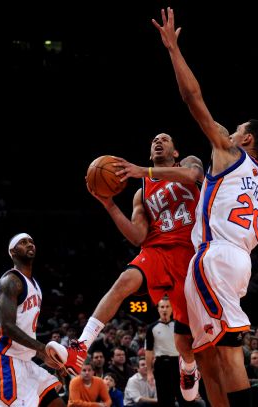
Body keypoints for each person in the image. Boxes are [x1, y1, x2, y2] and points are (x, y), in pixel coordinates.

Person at [151, 7, 258, 407]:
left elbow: (191, 97)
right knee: (208, 354)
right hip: (240, 263)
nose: (231, 132)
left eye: (238, 130)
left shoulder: (228, 151)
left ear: (246, 140)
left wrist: (174, 50)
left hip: (213, 257)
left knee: (229, 351)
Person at [48, 133, 204, 400]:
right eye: (154, 139)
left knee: (183, 340)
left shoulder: (188, 164)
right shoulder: (142, 192)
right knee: (124, 281)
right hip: (156, 250)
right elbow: (137, 237)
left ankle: (189, 367)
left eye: (165, 139)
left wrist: (140, 170)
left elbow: (193, 177)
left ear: (175, 152)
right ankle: (80, 347)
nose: (158, 141)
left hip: (189, 254)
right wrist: (108, 204)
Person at [0, 233, 65, 407]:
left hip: (26, 361)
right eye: (23, 242)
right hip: (6, 360)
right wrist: (43, 349)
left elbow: (26, 330)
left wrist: (43, 355)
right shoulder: (11, 281)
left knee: (57, 403)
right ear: (12, 252)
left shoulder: (34, 285)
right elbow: (8, 326)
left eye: (32, 242)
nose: (30, 244)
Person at [145, 296, 205, 407]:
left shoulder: (179, 326)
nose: (164, 309)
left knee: (185, 399)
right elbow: (148, 351)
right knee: (164, 399)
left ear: (171, 309)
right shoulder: (152, 328)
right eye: (162, 307)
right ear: (158, 309)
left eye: (167, 306)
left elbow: (189, 347)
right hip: (161, 365)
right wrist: (149, 372)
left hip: (179, 363)